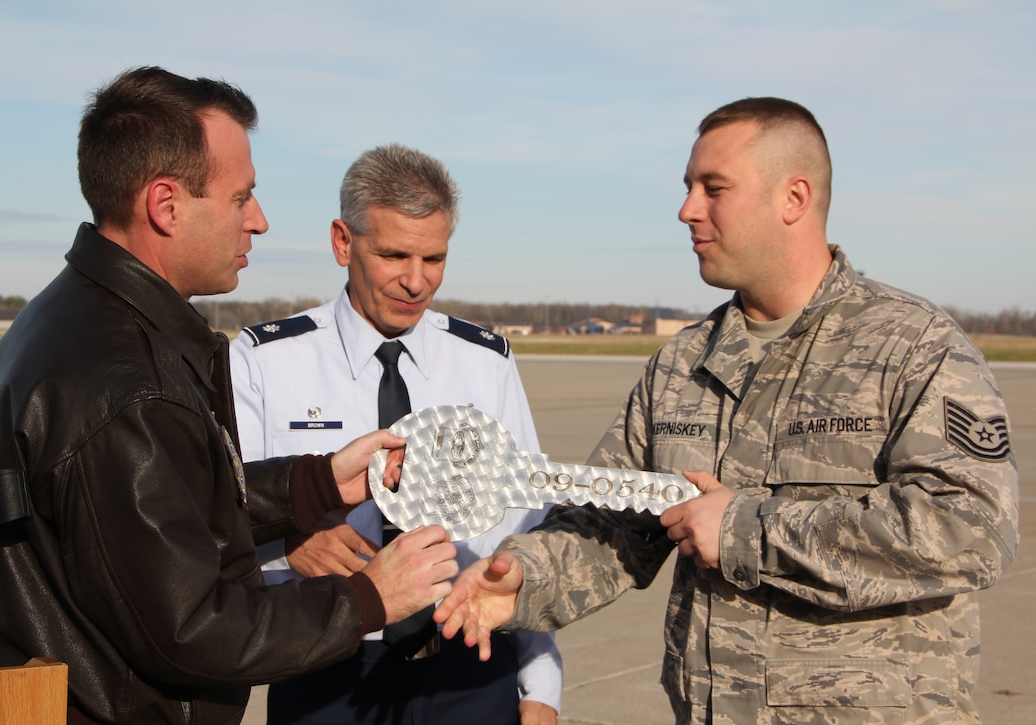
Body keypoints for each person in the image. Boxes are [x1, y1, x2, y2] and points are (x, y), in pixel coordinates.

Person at [435, 97, 1020, 724]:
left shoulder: (912, 346)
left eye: (714, 189)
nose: (687, 209)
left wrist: (745, 530)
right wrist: (526, 579)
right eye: (689, 187)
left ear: (793, 198)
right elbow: (612, 522)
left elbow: (973, 528)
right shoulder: (682, 364)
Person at [0, 67, 457, 725]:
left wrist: (316, 484)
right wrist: (367, 597)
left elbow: (159, 522)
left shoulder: (70, 320)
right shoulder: (129, 385)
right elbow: (193, 629)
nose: (259, 220)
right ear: (166, 205)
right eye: (240, 197)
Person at [229, 143, 562, 724]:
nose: (415, 281)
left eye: (434, 258)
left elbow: (523, 529)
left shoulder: (485, 362)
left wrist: (541, 682)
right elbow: (220, 518)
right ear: (343, 242)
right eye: (393, 255)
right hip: (327, 665)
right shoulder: (264, 362)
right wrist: (285, 547)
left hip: (472, 660)